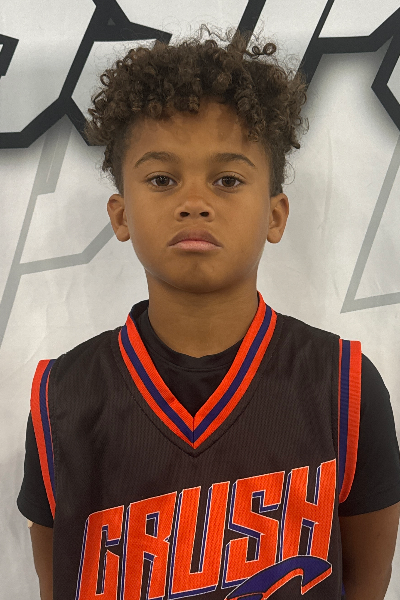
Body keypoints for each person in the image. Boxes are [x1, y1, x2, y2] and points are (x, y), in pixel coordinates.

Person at [17, 24, 400, 600]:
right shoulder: (62, 396)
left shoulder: (342, 386)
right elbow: (59, 579)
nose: (194, 202)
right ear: (120, 215)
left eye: (227, 179)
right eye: (162, 179)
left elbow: (365, 581)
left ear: (275, 215)